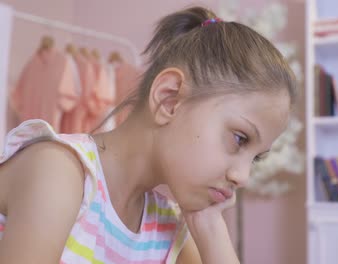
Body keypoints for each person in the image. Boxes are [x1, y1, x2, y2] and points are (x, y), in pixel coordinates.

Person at [0, 6, 296, 264]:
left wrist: (210, 226)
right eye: (240, 138)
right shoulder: (60, 173)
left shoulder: (166, 225)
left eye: (255, 158)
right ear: (169, 99)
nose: (243, 177)